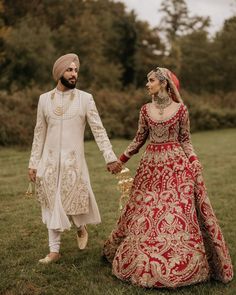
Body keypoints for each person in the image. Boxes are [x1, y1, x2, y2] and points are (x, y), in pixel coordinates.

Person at [103, 67, 233, 288]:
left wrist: (193, 161)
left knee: (175, 213)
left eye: (151, 80)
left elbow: (186, 140)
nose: (147, 84)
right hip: (151, 169)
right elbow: (138, 139)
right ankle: (144, 260)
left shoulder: (181, 110)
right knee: (145, 212)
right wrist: (121, 160)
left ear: (163, 83)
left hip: (176, 168)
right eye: (148, 80)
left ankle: (181, 264)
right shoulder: (145, 110)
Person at [28, 53, 121, 264]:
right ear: (59, 73)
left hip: (73, 164)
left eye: (76, 70)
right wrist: (33, 163)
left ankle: (80, 226)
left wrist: (110, 157)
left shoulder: (85, 99)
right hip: (49, 164)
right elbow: (39, 133)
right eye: (69, 70)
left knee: (74, 202)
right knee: (52, 203)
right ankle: (54, 250)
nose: (73, 74)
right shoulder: (44, 100)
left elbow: (99, 130)